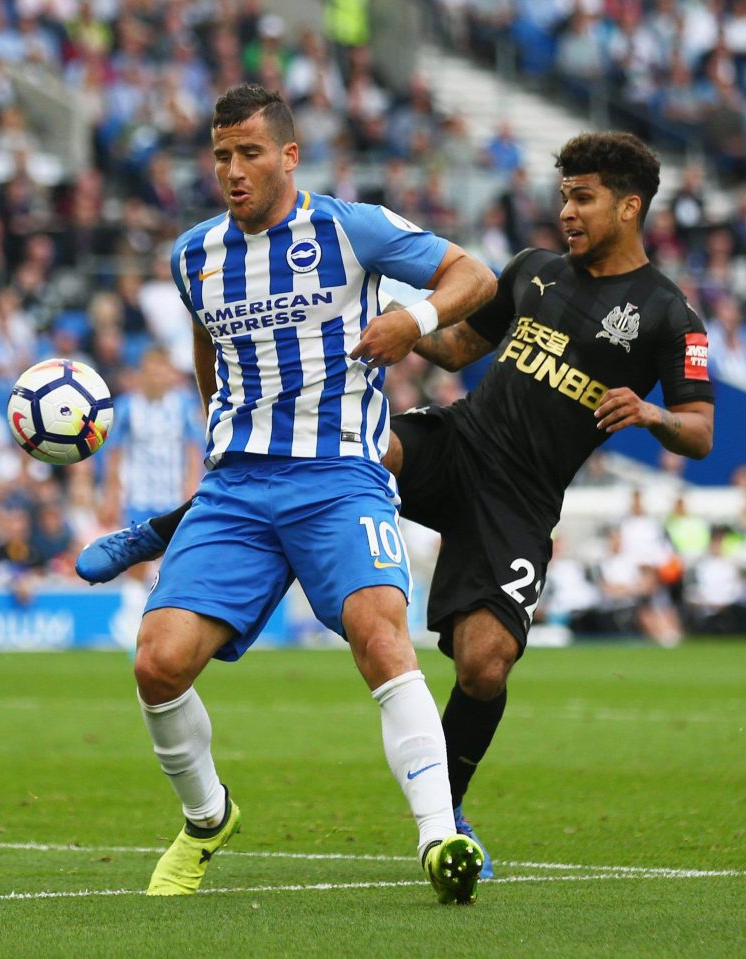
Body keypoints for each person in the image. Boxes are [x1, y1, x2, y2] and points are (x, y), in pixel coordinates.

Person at [78, 131, 715, 876]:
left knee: (483, 664)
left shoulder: (671, 315)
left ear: (629, 205)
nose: (565, 211)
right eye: (563, 195)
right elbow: (452, 349)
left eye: (583, 197)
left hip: (521, 497)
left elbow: (700, 432)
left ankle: (453, 803)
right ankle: (161, 529)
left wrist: (651, 414)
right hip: (459, 441)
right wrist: (370, 309)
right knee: (336, 447)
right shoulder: (534, 271)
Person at [117, 84, 497, 903]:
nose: (233, 170)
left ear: (289, 155)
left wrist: (417, 318)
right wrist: (223, 434)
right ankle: (208, 815)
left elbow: (477, 275)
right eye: (221, 155)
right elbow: (207, 347)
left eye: (249, 153)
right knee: (156, 663)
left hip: (337, 479)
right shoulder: (193, 254)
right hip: (238, 489)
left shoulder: (349, 228)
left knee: (379, 635)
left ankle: (439, 837)